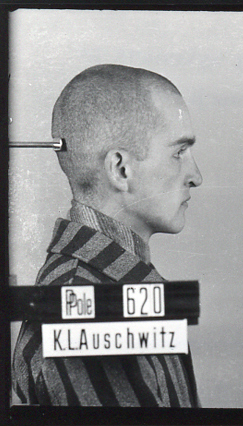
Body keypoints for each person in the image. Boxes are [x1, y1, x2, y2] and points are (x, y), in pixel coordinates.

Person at [11, 64, 202, 407]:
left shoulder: (110, 286)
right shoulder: (86, 306)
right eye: (179, 152)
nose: (195, 176)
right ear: (121, 169)